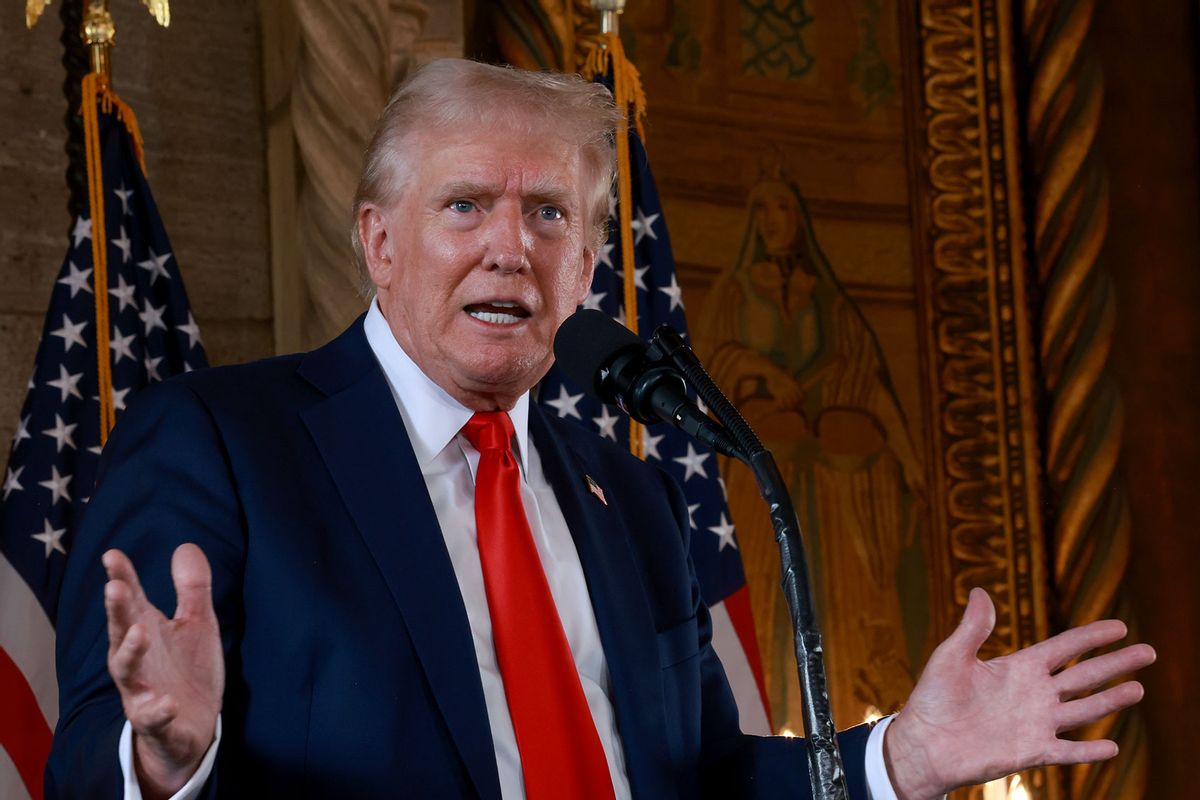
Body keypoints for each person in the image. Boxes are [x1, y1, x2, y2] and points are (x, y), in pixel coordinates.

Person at [46, 60, 1154, 800]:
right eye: (466, 204)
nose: (509, 248)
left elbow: (703, 775)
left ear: (584, 266)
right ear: (379, 242)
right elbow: (90, 763)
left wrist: (897, 758)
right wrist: (167, 759)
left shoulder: (631, 498)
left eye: (549, 214)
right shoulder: (223, 442)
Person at [696, 174, 928, 730]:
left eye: (783, 206)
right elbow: (711, 368)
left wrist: (909, 459)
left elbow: (865, 378)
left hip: (830, 489)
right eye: (764, 208)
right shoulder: (734, 294)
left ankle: (851, 725)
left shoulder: (829, 300)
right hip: (762, 485)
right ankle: (767, 725)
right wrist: (761, 372)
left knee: (836, 604)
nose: (774, 218)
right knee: (763, 598)